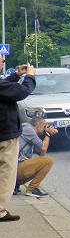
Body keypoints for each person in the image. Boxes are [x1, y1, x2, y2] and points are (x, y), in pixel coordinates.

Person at [0, 63, 36, 222]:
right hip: (5, 134)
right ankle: (0, 210)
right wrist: (30, 76)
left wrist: (15, 76)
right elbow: (21, 92)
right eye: (0, 58)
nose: (2, 62)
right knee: (6, 173)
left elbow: (5, 88)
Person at [16, 115, 56, 197]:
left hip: (15, 168)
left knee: (44, 162)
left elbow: (42, 154)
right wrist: (48, 134)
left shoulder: (30, 131)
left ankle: (15, 184)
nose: (45, 128)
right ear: (38, 125)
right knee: (49, 161)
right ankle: (32, 189)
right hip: (15, 167)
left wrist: (46, 133)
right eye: (44, 126)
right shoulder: (28, 129)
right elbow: (43, 148)